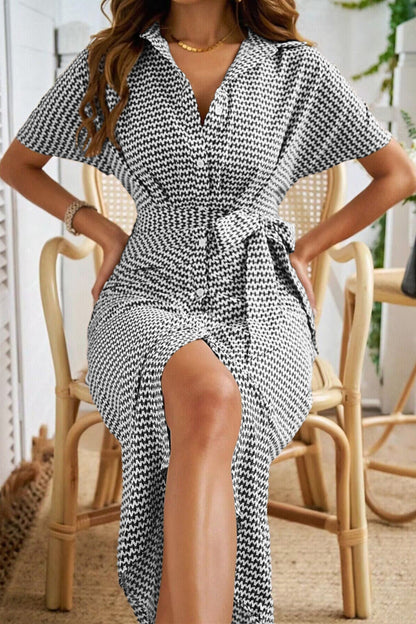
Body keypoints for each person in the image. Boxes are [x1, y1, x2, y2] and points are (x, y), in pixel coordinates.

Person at [0, 0, 414, 622]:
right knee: (210, 397)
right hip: (145, 287)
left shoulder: (293, 68)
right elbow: (18, 164)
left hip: (259, 292)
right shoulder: (113, 61)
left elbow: (396, 173)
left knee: (215, 409)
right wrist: (101, 229)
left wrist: (306, 249)